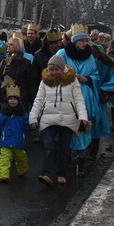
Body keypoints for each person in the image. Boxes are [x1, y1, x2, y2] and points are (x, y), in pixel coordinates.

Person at [30, 54, 88, 186]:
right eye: (51, 70)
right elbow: (39, 100)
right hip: (48, 119)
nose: (53, 72)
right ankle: (47, 174)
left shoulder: (72, 81)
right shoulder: (45, 81)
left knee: (64, 148)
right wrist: (33, 117)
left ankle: (61, 172)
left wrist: (83, 117)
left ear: (62, 69)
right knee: (49, 146)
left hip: (67, 119)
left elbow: (79, 100)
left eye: (56, 69)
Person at [56, 26, 102, 178]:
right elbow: (52, 71)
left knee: (81, 131)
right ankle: (65, 164)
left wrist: (86, 78)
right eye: (81, 40)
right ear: (75, 41)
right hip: (67, 96)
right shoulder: (62, 54)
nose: (84, 43)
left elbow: (96, 75)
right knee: (66, 130)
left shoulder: (89, 56)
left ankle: (80, 166)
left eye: (86, 40)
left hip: (85, 98)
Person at [0, 85, 30, 183]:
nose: (12, 101)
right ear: (7, 100)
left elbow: (27, 127)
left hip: (18, 141)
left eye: (15, 99)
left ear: (18, 101)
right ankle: (4, 175)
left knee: (21, 158)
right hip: (5, 141)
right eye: (10, 99)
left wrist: (34, 125)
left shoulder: (23, 115)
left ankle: (22, 170)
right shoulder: (3, 114)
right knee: (4, 159)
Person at [0, 36, 32, 106]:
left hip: (20, 97)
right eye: (8, 44)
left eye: (11, 44)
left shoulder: (26, 63)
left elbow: (29, 82)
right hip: (6, 97)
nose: (8, 46)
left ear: (17, 46)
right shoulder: (4, 62)